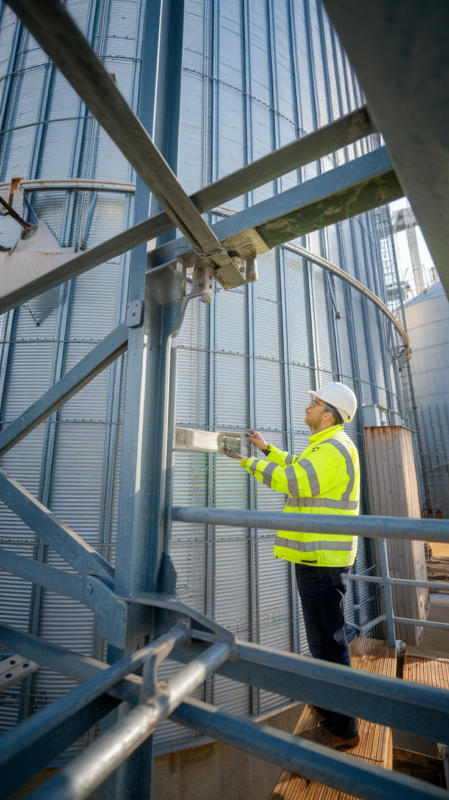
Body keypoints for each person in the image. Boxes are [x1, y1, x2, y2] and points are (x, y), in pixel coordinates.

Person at [224, 382, 360, 750]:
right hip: (316, 556)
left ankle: (344, 728)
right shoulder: (325, 445)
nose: (307, 407)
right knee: (323, 639)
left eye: (313, 403)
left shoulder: (333, 449)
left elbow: (295, 481)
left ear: (328, 414)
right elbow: (300, 467)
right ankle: (331, 706)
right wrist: (268, 450)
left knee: (329, 645)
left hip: (321, 560)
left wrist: (247, 461)